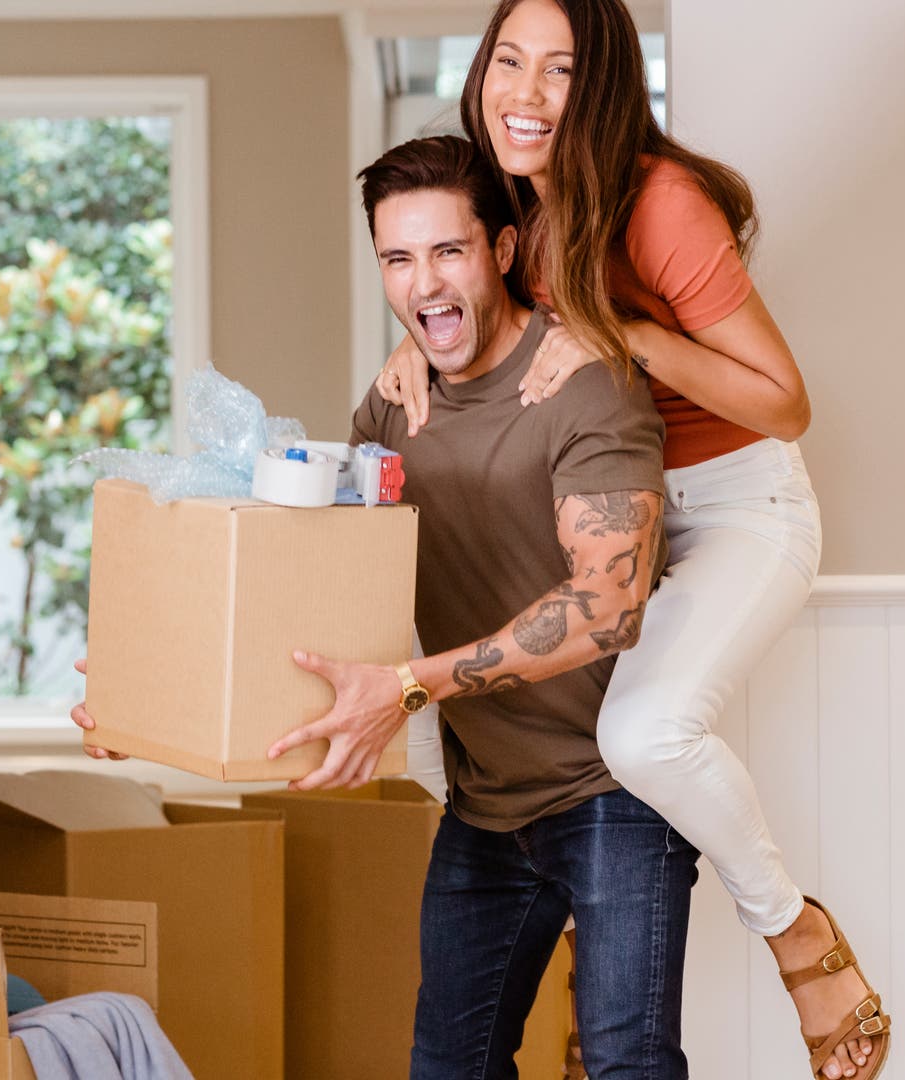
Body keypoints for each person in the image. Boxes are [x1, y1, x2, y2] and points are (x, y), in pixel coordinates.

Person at [76, 135, 695, 1077]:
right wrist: (153, 699)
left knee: (627, 1069)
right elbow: (319, 587)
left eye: (447, 251)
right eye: (398, 259)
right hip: (487, 806)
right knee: (447, 1068)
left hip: (614, 797)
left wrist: (407, 685)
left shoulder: (586, 385)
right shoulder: (394, 408)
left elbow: (608, 606)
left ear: (503, 249)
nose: (424, 283)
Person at [371, 3, 890, 1078]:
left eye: (559, 70)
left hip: (733, 500)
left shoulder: (658, 204)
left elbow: (784, 402)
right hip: (615, 493)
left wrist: (629, 334)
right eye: (508, 61)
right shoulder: (501, 192)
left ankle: (796, 931)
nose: (525, 92)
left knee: (643, 739)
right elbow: (446, 284)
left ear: (602, 84)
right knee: (489, 746)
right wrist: (412, 354)